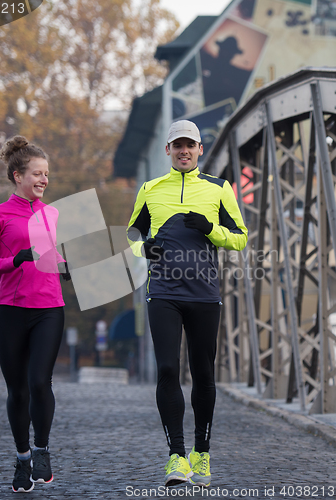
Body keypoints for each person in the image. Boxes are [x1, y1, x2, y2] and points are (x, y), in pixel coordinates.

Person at [127, 120, 247, 487]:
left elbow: (240, 239)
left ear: (199, 149)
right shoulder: (150, 189)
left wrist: (210, 229)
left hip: (204, 294)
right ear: (168, 150)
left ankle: (202, 454)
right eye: (177, 145)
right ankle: (176, 458)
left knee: (204, 374)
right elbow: (132, 232)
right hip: (163, 291)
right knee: (167, 369)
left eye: (190, 145)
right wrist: (143, 248)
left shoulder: (219, 188)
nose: (183, 151)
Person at [0, 136, 71, 493]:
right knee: (17, 391)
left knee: (39, 382)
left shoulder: (52, 214)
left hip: (49, 307)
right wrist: (14, 259)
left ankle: (42, 449)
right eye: (37, 174)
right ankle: (23, 457)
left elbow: (49, 256)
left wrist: (65, 265)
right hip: (11, 310)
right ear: (17, 176)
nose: (44, 180)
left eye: (46, 174)